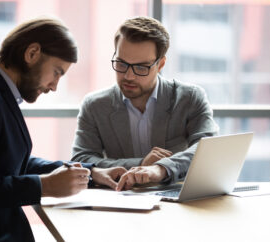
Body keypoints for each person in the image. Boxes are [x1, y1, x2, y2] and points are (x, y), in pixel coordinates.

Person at [0, 17, 126, 242]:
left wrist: (88, 173)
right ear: (32, 53)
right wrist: (43, 186)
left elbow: (8, 161)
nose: (54, 86)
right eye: (57, 72)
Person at [71, 16, 218, 191]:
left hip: (177, 201)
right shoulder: (95, 106)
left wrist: (160, 169)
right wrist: (140, 163)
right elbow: (82, 160)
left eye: (141, 67)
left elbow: (208, 149)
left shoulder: (189, 98)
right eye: (121, 64)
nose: (128, 76)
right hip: (119, 202)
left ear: (160, 64)